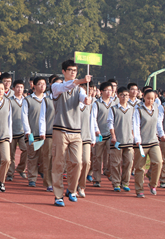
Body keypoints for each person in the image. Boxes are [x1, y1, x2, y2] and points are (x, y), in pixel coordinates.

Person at [48, 60, 92, 207]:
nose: (73, 72)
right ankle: (58, 195)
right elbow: (67, 86)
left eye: (75, 70)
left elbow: (83, 100)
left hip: (76, 131)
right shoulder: (56, 87)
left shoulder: (80, 90)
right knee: (58, 163)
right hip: (60, 130)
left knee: (78, 162)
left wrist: (87, 100)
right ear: (63, 71)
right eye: (70, 70)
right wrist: (80, 81)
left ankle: (72, 190)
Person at [133, 90, 163, 198]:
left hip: (153, 141)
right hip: (142, 143)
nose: (150, 100)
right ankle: (139, 189)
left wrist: (162, 134)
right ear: (144, 97)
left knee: (158, 162)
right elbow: (135, 125)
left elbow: (158, 123)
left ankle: (153, 184)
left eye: (152, 98)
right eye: (148, 98)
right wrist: (137, 139)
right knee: (140, 167)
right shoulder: (138, 109)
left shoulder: (156, 109)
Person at [108, 86, 135, 193]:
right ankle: (116, 183)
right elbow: (110, 123)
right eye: (122, 95)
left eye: (126, 95)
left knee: (128, 162)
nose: (124, 97)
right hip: (117, 140)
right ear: (118, 96)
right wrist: (113, 136)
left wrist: (133, 136)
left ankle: (125, 182)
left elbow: (134, 124)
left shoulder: (132, 109)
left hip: (128, 140)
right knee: (116, 162)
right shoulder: (113, 109)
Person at [22, 77, 47, 187]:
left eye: (44, 84)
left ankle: (41, 171)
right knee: (32, 156)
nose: (42, 86)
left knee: (44, 156)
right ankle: (32, 178)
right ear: (34, 86)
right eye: (39, 84)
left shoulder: (48, 99)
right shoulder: (28, 100)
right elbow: (24, 116)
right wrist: (27, 131)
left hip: (46, 134)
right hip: (33, 133)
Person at [91, 82, 114, 187]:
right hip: (99, 134)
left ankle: (108, 171)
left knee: (112, 156)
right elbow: (93, 118)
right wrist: (96, 130)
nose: (109, 92)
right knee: (97, 157)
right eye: (106, 90)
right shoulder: (96, 103)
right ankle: (97, 179)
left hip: (110, 134)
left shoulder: (114, 103)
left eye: (110, 90)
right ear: (101, 92)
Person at [7, 80, 28, 181]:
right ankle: (10, 173)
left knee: (26, 150)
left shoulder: (26, 100)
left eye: (21, 87)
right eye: (18, 87)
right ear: (13, 88)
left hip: (23, 132)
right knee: (10, 154)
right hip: (11, 131)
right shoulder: (9, 100)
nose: (20, 89)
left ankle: (21, 168)